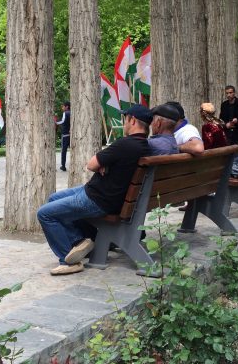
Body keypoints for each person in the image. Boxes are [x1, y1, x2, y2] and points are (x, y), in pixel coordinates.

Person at [37, 104, 152, 275]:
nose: (124, 123)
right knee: (54, 198)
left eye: (125, 119)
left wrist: (102, 165)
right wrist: (104, 165)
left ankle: (68, 261)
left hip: (97, 199)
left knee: (44, 213)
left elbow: (91, 164)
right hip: (103, 195)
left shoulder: (125, 145)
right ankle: (79, 242)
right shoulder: (145, 147)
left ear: (132, 120)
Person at [55, 101, 71, 171]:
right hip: (71, 135)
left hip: (65, 135)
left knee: (63, 151)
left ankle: (63, 166)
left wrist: (56, 122)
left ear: (66, 107)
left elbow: (63, 121)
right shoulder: (71, 112)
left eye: (63, 106)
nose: (62, 108)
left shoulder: (65, 113)